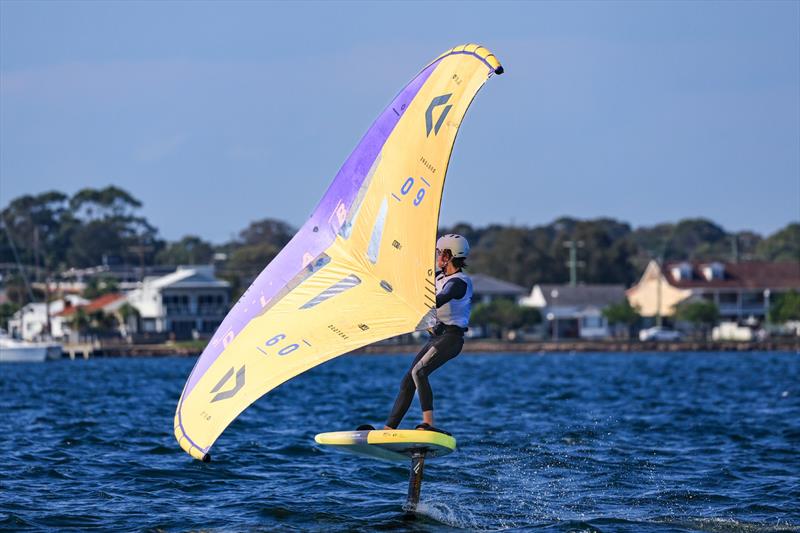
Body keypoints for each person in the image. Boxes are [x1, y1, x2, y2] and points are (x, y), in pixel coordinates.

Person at [381, 234, 473, 434]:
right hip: (436, 337)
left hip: (451, 338)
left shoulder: (459, 282)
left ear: (449, 256)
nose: (437, 256)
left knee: (419, 372)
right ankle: (388, 430)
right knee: (408, 381)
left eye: (440, 252)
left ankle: (428, 424)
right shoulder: (439, 278)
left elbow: (440, 298)